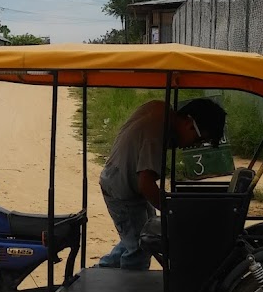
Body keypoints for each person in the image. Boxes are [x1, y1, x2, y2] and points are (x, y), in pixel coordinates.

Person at [97, 97, 227, 270]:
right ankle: (130, 291)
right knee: (140, 249)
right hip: (122, 190)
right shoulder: (157, 132)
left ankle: (103, 270)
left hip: (122, 182)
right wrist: (171, 213)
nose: (191, 146)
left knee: (138, 236)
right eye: (197, 140)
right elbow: (146, 184)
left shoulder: (162, 110)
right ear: (189, 123)